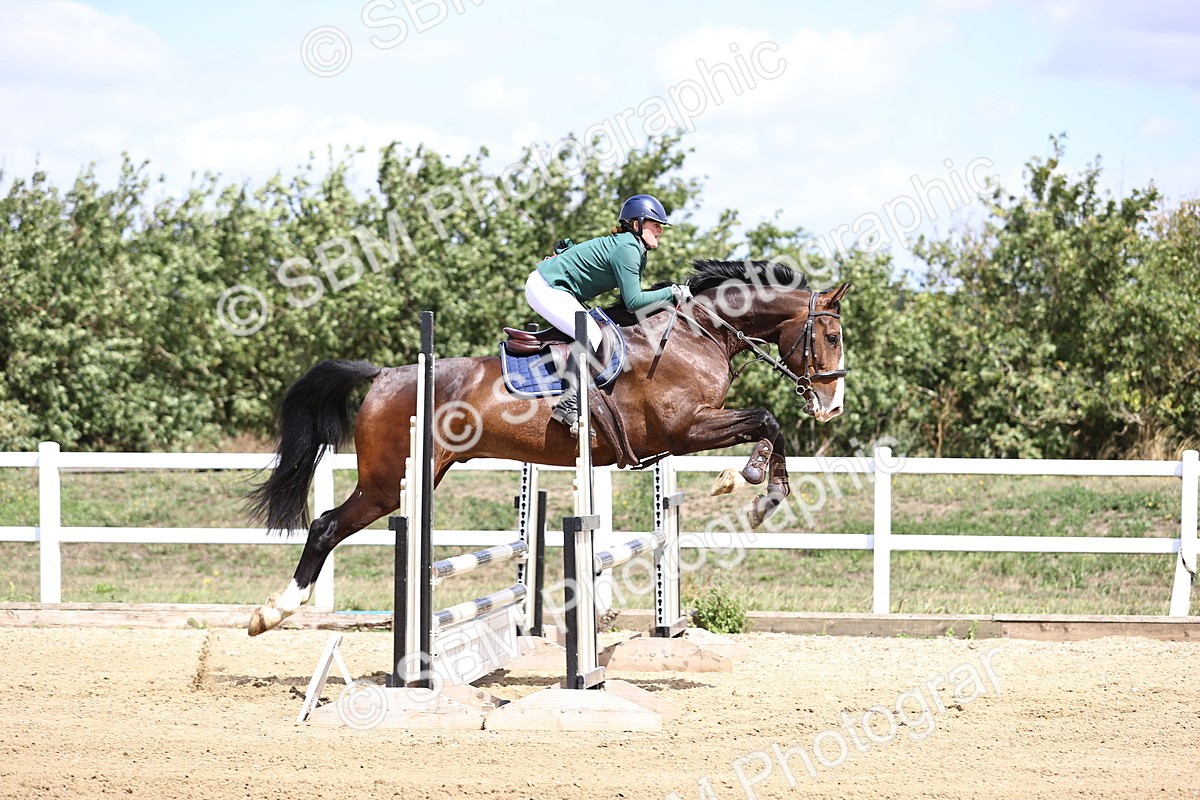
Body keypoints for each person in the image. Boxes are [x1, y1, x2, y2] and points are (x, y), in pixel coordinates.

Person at [525, 193, 692, 431]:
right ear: (636, 224)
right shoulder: (628, 248)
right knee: (592, 334)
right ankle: (568, 403)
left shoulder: (632, 247)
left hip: (555, 287)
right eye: (655, 224)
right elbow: (633, 301)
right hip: (546, 288)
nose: (660, 230)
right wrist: (671, 292)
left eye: (660, 226)